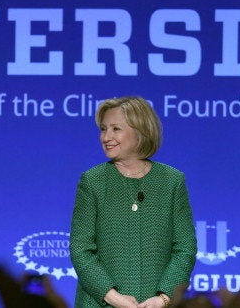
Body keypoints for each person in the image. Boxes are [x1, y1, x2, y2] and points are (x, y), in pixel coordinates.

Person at [69, 96, 197, 308]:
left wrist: (163, 299)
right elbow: (81, 249)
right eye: (103, 129)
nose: (106, 137)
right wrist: (114, 298)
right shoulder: (92, 181)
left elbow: (185, 248)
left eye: (115, 129)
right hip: (100, 303)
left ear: (140, 131)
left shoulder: (172, 181)